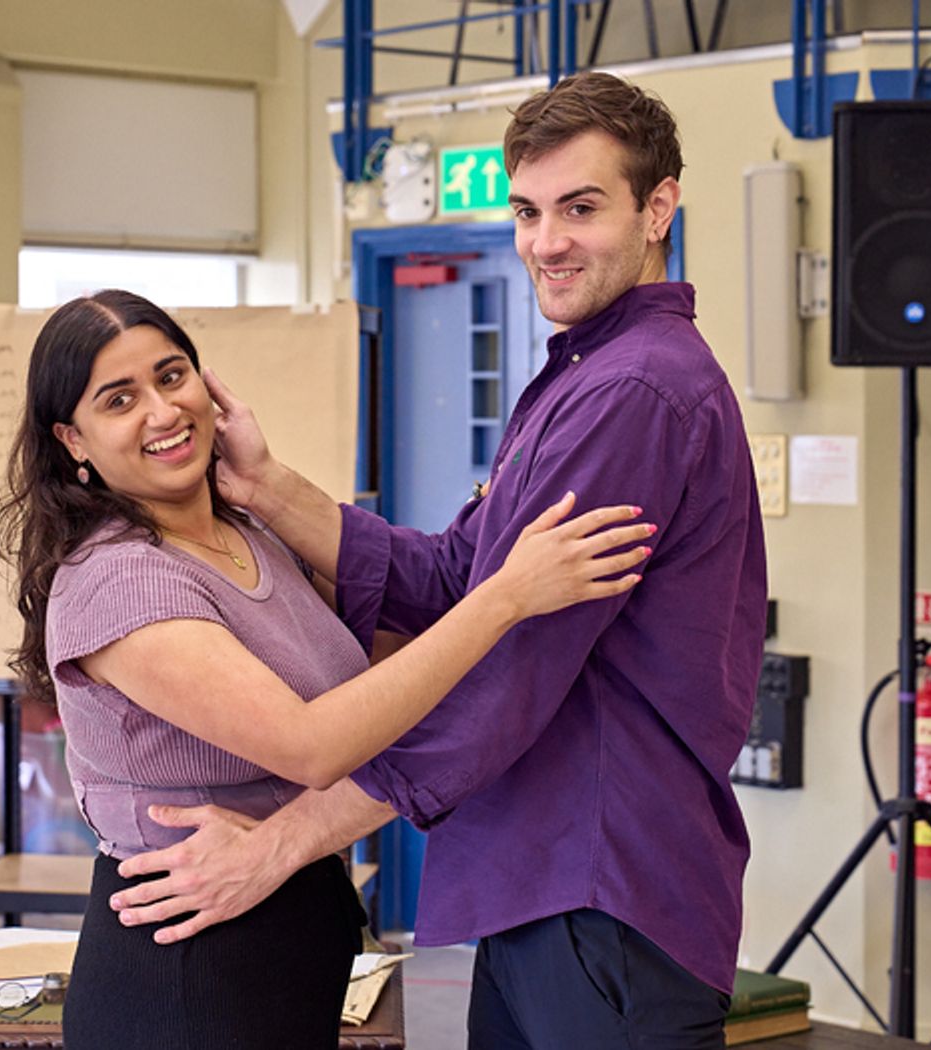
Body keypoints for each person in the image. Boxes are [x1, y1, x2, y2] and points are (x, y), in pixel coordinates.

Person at [107, 72, 768, 1049]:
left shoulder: (634, 392)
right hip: (530, 884)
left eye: (579, 209)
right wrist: (265, 490)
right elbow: (465, 583)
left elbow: (501, 671)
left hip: (595, 888)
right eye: (527, 211)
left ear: (657, 206)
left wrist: (280, 844)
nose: (545, 242)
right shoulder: (582, 372)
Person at [0, 288, 653, 1050]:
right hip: (186, 975)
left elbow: (387, 677)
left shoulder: (249, 534)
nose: (163, 412)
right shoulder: (120, 580)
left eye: (173, 377)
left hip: (288, 942)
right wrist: (505, 596)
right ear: (73, 438)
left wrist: (493, 553)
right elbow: (313, 744)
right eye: (120, 399)